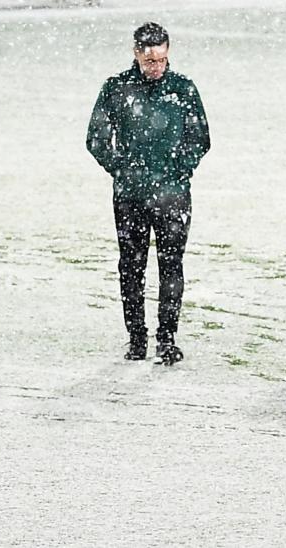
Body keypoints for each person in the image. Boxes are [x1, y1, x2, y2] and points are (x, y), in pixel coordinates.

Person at [86, 22, 210, 365]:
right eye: (149, 60)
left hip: (173, 195)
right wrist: (121, 168)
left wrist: (179, 170)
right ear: (136, 53)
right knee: (131, 267)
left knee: (171, 266)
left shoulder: (183, 88)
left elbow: (200, 138)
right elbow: (96, 138)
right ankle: (137, 338)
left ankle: (167, 338)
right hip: (130, 196)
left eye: (161, 59)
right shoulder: (117, 88)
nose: (155, 67)